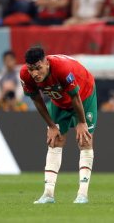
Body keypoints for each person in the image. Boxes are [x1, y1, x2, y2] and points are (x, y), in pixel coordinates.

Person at [20, 47, 97, 204]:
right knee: (55, 140)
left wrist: (81, 122)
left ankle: (82, 194)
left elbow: (75, 96)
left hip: (84, 95)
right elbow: (36, 99)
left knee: (84, 140)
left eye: (38, 68)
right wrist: (52, 126)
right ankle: (48, 194)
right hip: (59, 100)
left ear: (46, 63)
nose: (34, 73)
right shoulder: (25, 74)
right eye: (31, 69)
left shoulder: (62, 68)